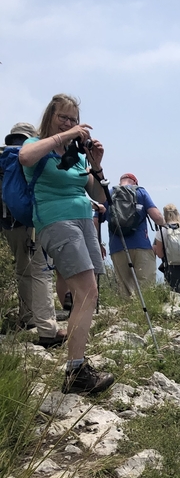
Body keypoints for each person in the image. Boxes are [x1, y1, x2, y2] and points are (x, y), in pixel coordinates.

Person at [19, 94, 114, 395]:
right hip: (55, 220)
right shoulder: (35, 144)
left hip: (84, 221)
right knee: (87, 291)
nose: (70, 123)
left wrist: (96, 166)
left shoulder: (76, 155)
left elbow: (99, 197)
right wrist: (66, 135)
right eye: (64, 117)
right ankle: (76, 373)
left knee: (88, 293)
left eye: (74, 119)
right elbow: (25, 159)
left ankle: (78, 368)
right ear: (50, 117)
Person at [0, 123, 66, 347]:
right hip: (33, 220)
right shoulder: (33, 150)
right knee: (41, 270)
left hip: (8, 223)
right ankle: (48, 328)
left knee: (22, 269)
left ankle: (27, 317)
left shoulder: (3, 153)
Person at [106, 173, 165, 297]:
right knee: (146, 286)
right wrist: (164, 223)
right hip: (141, 246)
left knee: (125, 288)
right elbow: (157, 217)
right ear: (135, 182)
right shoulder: (140, 192)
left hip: (117, 247)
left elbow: (96, 219)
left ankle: (128, 314)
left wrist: (99, 244)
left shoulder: (109, 193)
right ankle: (146, 313)